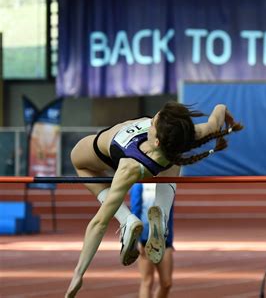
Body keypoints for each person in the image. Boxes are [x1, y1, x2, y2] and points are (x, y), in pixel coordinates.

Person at [65, 101, 243, 297]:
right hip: (160, 161)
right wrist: (228, 118)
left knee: (78, 161)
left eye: (152, 124)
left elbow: (99, 223)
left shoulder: (128, 167)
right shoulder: (184, 135)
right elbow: (218, 112)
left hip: (119, 154)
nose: (150, 122)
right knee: (174, 157)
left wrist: (78, 273)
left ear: (156, 139)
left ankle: (127, 219)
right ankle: (162, 214)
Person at [130, 182, 176, 298]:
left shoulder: (168, 183)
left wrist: (170, 240)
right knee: (147, 281)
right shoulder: (140, 184)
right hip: (145, 239)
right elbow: (135, 211)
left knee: (167, 283)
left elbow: (169, 214)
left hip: (165, 240)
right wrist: (137, 240)